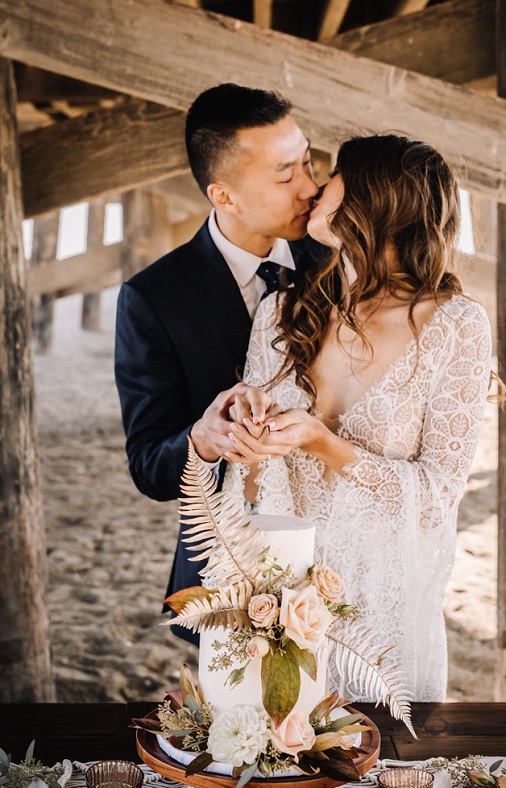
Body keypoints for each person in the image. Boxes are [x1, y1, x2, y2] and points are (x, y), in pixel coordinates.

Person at [222, 134, 497, 701]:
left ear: (376, 197)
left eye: (336, 175)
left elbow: (438, 494)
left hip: (381, 599)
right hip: (281, 589)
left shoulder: (456, 327)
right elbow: (249, 486)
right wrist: (247, 435)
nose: (319, 187)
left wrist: (325, 444)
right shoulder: (282, 310)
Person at [114, 84, 326, 642]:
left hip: (337, 556)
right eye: (285, 175)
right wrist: (203, 441)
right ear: (223, 196)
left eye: (308, 161)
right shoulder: (153, 297)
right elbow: (148, 465)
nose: (311, 187)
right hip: (226, 570)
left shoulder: (335, 257)